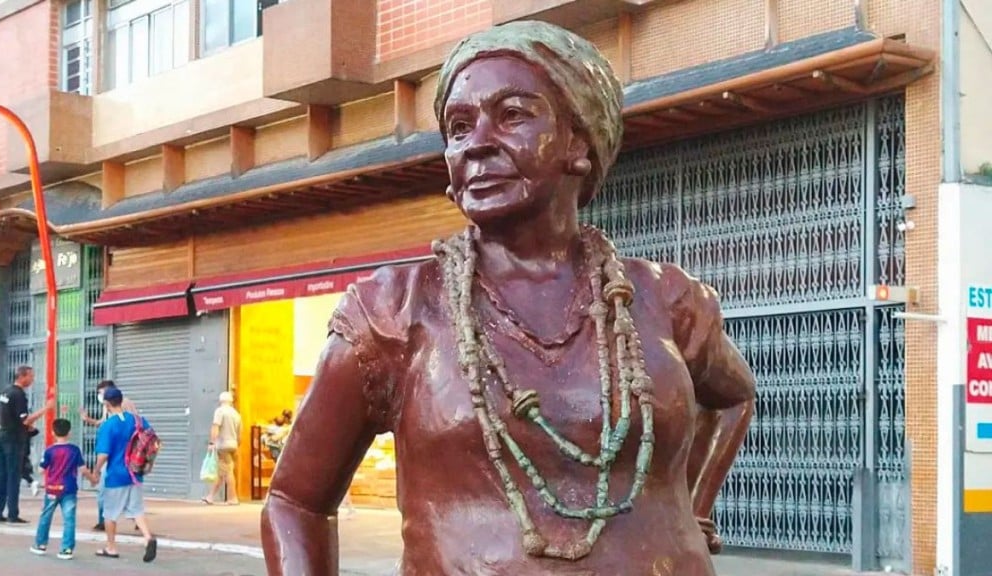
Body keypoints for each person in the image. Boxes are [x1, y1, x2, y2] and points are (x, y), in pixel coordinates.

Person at [261, 21, 756, 576]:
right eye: (459, 126)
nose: (477, 143)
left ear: (578, 141)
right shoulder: (393, 313)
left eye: (513, 115)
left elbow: (734, 395)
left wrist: (688, 513)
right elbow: (295, 501)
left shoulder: (661, 298)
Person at [93, 386, 157, 562]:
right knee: (137, 510)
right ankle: (148, 538)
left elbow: (103, 454)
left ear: (106, 404)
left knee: (110, 513)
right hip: (135, 473)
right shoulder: (138, 420)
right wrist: (149, 464)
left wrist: (96, 471)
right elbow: (154, 441)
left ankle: (111, 547)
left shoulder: (108, 425)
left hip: (116, 475)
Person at [29, 418, 98, 560]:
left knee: (46, 517)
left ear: (53, 432)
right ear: (69, 432)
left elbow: (41, 470)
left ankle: (41, 545)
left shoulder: (49, 451)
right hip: (69, 489)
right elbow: (83, 469)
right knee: (69, 519)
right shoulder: (74, 450)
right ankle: (66, 549)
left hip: (52, 489)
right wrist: (92, 480)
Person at [0, 366, 54, 523]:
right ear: (22, 376)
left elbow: (8, 416)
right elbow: (25, 419)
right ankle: (13, 513)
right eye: (31, 376)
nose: (32, 380)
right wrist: (46, 409)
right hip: (14, 440)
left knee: (2, 476)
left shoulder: (6, 392)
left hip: (3, 437)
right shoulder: (18, 395)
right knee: (13, 477)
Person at [79, 380, 116, 531]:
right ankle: (103, 520)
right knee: (105, 490)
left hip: (114, 455)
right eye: (99, 393)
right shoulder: (106, 407)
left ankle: (105, 521)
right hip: (111, 455)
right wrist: (88, 420)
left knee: (104, 490)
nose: (100, 396)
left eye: (102, 393)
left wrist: (96, 469)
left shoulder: (122, 405)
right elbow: (102, 422)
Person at [203, 391, 241, 505]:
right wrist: (237, 445)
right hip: (233, 445)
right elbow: (240, 433)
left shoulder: (220, 411)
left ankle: (233, 498)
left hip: (223, 445)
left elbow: (215, 427)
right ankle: (210, 496)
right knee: (221, 471)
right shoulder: (236, 414)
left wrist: (211, 443)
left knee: (228, 471)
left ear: (220, 401)